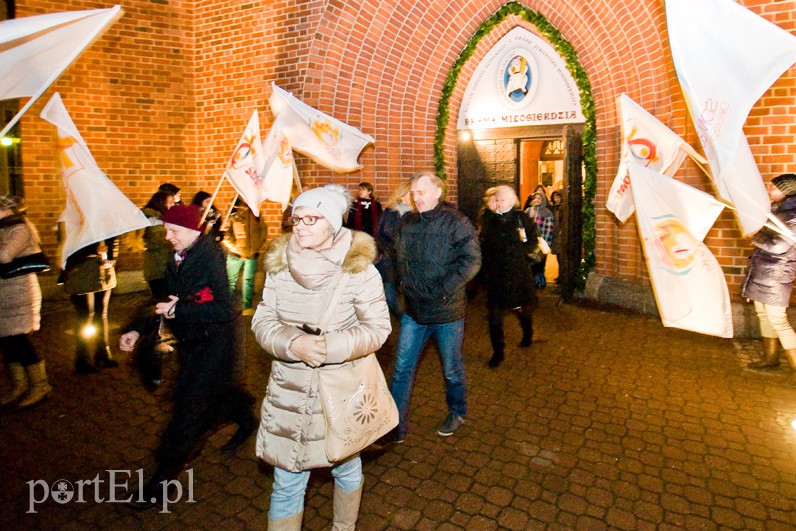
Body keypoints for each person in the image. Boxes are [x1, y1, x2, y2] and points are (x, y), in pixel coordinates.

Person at [252, 184, 391, 529]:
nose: (299, 225)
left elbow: (378, 328)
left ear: (332, 222)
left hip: (339, 392)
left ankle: (343, 527)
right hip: (290, 391)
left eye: (311, 218)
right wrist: (291, 342)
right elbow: (263, 319)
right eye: (296, 218)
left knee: (346, 467)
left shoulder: (359, 270)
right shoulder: (279, 266)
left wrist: (330, 347)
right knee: (286, 483)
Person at [119, 204, 256, 509]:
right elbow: (163, 299)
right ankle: (243, 414)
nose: (168, 236)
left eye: (174, 231)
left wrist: (180, 309)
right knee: (211, 400)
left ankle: (159, 484)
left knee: (187, 416)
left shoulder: (211, 257)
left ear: (193, 231)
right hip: (191, 344)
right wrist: (137, 328)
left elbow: (225, 308)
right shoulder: (177, 257)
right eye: (166, 230)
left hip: (214, 349)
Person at [380, 171, 481, 444]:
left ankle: (458, 411)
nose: (416, 197)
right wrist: (400, 284)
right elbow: (396, 257)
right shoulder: (407, 222)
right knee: (402, 369)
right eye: (413, 193)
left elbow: (471, 260)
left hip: (446, 313)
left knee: (451, 368)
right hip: (414, 311)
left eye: (421, 191)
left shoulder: (457, 222)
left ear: (438, 192)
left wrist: (443, 290)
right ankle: (394, 425)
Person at [741, 173, 796, 382]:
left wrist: (755, 236)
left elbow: (779, 246)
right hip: (764, 270)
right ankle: (770, 358)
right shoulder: (778, 210)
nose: (769, 189)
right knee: (763, 316)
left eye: (773, 186)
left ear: (786, 189)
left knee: (778, 320)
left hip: (777, 274)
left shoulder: (792, 215)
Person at [0, 196, 52, 408]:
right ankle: (19, 385)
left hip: (20, 292)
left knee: (20, 340)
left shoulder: (20, 228)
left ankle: (40, 385)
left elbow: (4, 255)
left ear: (8, 210)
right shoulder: (4, 227)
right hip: (4, 294)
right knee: (6, 342)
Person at [479, 186, 539, 368]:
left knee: (522, 309)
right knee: (495, 317)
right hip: (497, 277)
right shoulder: (490, 220)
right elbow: (484, 244)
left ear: (512, 201)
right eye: (496, 200)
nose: (498, 203)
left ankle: (527, 333)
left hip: (518, 274)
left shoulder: (522, 219)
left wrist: (518, 253)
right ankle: (498, 352)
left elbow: (533, 242)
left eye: (502, 200)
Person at [59, 224, 120, 374]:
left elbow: (113, 243)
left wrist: (111, 257)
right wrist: (93, 250)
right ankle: (82, 359)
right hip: (81, 272)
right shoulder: (73, 219)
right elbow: (67, 249)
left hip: (103, 272)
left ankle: (103, 353)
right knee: (85, 315)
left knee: (101, 314)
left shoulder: (105, 220)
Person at [222, 198, 268, 315]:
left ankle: (246, 307)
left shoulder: (255, 211)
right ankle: (225, 307)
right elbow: (226, 234)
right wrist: (235, 248)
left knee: (248, 281)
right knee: (230, 281)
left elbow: (263, 228)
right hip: (235, 255)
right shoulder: (233, 210)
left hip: (251, 254)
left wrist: (258, 245)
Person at [375, 180, 413, 318]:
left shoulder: (418, 215)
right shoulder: (390, 212)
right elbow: (380, 233)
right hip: (390, 260)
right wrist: (389, 250)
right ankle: (403, 317)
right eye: (409, 194)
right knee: (390, 294)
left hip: (410, 263)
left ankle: (410, 322)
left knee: (410, 297)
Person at [141, 191, 175, 301]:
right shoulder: (150, 218)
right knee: (161, 297)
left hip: (166, 264)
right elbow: (158, 240)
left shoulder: (166, 217)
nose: (172, 205)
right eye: (169, 202)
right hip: (157, 265)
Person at [526, 191, 555, 288]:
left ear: (543, 200)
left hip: (542, 242)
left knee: (541, 261)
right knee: (532, 261)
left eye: (539, 198)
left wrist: (546, 243)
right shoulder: (529, 211)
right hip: (531, 241)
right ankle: (535, 280)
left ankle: (541, 277)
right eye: (535, 198)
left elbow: (549, 229)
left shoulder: (547, 212)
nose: (537, 200)